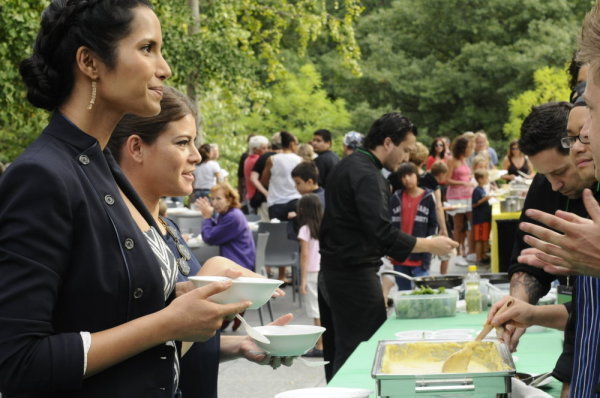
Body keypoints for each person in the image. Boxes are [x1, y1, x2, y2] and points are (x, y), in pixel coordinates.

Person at [0, 2, 251, 396]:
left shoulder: (102, 166)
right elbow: (17, 362)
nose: (164, 68)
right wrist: (168, 322)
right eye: (148, 48)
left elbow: (108, 307)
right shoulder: (42, 176)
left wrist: (183, 300)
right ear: (90, 62)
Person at [107, 86, 292, 397]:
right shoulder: (116, 242)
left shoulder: (168, 229)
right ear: (136, 148)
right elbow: (127, 364)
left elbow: (172, 347)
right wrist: (212, 270)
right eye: (183, 143)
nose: (196, 155)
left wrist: (241, 343)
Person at [318, 112, 458, 381]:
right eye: (405, 150)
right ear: (387, 142)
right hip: (352, 275)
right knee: (362, 351)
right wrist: (429, 244)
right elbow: (381, 233)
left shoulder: (346, 165)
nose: (406, 158)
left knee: (340, 349)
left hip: (333, 272)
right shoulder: (368, 175)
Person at [388, 162, 438, 290]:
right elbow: (389, 224)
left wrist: (430, 247)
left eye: (410, 175)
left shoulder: (428, 196)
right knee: (404, 293)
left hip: (420, 255)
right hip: (400, 255)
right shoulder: (396, 197)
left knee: (424, 292)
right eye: (403, 176)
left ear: (417, 176)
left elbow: (432, 225)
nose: (407, 179)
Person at [197, 182, 256, 271]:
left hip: (239, 265)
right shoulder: (226, 213)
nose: (214, 203)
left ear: (229, 200)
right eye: (212, 199)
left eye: (218, 199)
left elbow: (209, 237)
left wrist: (207, 217)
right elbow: (218, 230)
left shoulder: (233, 217)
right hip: (235, 262)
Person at [296, 194, 324, 358]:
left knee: (315, 311)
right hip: (324, 270)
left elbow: (304, 255)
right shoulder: (323, 226)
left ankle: (319, 345)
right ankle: (323, 343)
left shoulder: (305, 229)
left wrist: (303, 280)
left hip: (312, 272)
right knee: (323, 308)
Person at [445, 135, 474, 266]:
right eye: (468, 147)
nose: (470, 149)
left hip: (467, 196)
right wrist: (463, 183)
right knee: (458, 226)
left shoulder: (465, 160)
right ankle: (457, 253)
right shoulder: (452, 160)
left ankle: (465, 251)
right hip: (456, 196)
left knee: (465, 225)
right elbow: (447, 179)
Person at [261, 131, 302, 221]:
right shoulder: (300, 160)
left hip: (276, 201)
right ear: (292, 144)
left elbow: (264, 180)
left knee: (277, 232)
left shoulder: (272, 159)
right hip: (295, 199)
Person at [243, 135, 269, 212]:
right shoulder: (258, 160)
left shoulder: (247, 159)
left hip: (250, 196)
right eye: (263, 148)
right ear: (255, 149)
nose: (266, 150)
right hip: (257, 197)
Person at [471, 169, 492, 264]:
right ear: (480, 179)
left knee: (484, 238)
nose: (487, 179)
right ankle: (479, 257)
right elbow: (474, 204)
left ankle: (484, 255)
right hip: (480, 219)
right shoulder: (477, 190)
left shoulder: (482, 189)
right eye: (486, 178)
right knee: (479, 239)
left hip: (484, 218)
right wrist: (485, 199)